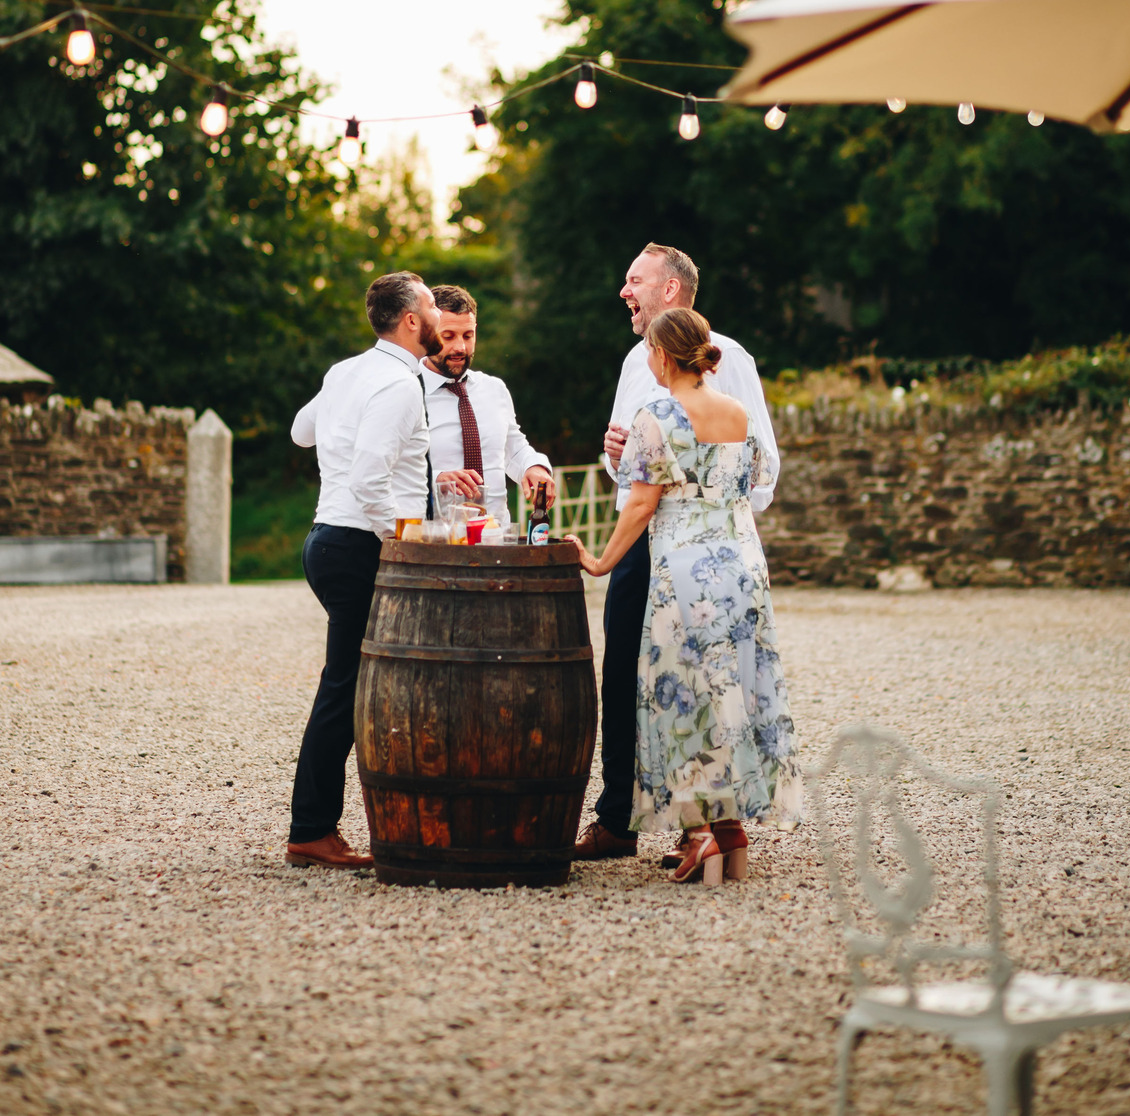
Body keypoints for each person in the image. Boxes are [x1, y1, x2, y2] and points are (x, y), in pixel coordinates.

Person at [572, 307, 801, 884]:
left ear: (666, 356)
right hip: (743, 567)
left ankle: (701, 832)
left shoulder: (656, 415)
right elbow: (750, 482)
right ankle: (732, 834)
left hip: (685, 572)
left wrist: (599, 562)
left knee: (683, 698)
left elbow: (642, 503)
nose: (647, 359)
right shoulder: (738, 412)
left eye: (650, 350)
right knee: (734, 692)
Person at [285, 271, 441, 870]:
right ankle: (312, 828)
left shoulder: (346, 372)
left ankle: (324, 823)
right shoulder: (400, 386)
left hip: (326, 540)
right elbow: (369, 478)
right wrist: (401, 539)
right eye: (430, 305)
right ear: (410, 320)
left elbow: (302, 432)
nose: (435, 313)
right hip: (359, 547)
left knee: (351, 685)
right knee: (346, 689)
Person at [420, 284, 555, 524]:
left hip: (496, 536)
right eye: (448, 336)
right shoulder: (408, 392)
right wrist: (436, 479)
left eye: (468, 335)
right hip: (437, 541)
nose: (460, 347)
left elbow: (512, 448)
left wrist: (533, 467)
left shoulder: (494, 389)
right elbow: (389, 467)